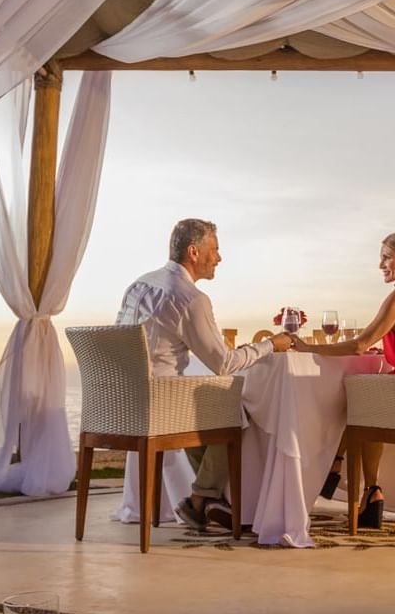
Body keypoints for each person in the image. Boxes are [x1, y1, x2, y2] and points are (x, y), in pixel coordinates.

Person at [117, 218, 293, 532]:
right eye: (215, 249)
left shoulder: (140, 284)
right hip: (160, 403)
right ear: (194, 252)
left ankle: (207, 500)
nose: (220, 258)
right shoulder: (189, 298)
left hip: (124, 400)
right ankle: (204, 497)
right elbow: (224, 363)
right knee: (238, 409)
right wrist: (271, 344)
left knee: (208, 410)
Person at [293, 231, 395, 528]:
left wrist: (309, 348)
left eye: (387, 257)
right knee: (366, 395)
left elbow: (359, 345)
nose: (380, 264)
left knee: (355, 397)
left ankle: (342, 469)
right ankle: (359, 483)